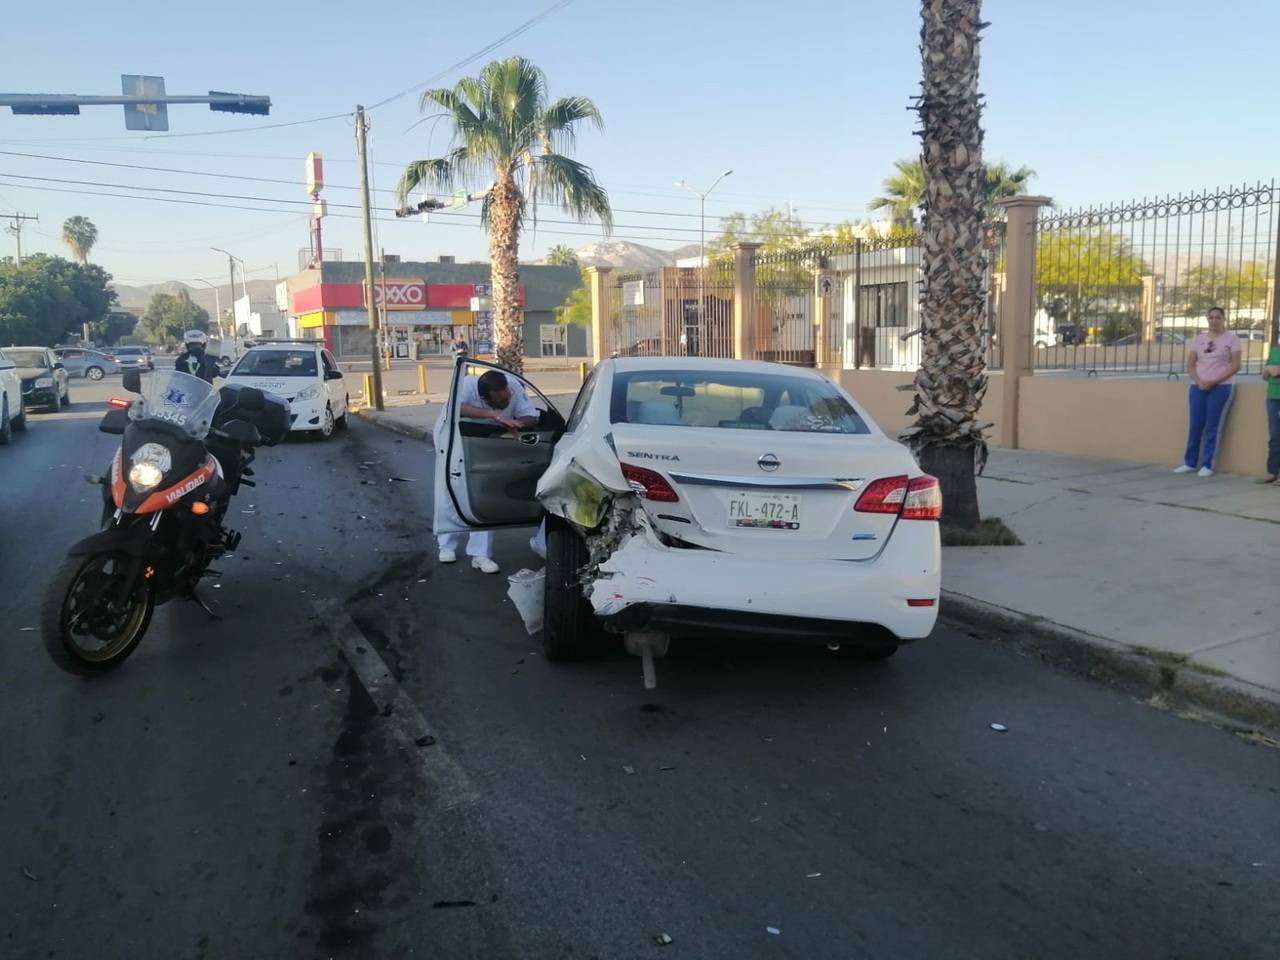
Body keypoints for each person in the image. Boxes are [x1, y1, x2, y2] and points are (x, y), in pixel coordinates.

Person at [434, 370, 546, 573]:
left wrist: (518, 423)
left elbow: (531, 415)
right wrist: (493, 414)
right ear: (485, 398)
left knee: (482, 490)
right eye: (501, 400)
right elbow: (454, 408)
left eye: (508, 395)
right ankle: (446, 544)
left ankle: (480, 554)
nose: (507, 400)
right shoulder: (467, 385)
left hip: (488, 439)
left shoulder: (513, 385)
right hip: (454, 437)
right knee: (452, 486)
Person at [1174, 307, 1242, 478]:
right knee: (1195, 425)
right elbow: (1190, 364)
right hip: (1198, 387)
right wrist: (1199, 381)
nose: (1214, 321)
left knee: (1213, 426)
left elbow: (1236, 365)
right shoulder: (1199, 340)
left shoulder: (1232, 340)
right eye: (1211, 317)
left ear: (1224, 319)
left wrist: (1214, 381)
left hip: (1221, 387)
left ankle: (1208, 464)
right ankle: (1190, 463)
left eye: (1218, 317)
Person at [1258, 335, 1280, 483]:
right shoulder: (1275, 350)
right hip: (1272, 397)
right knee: (1275, 435)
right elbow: (1264, 376)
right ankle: (1272, 472)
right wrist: (1268, 369)